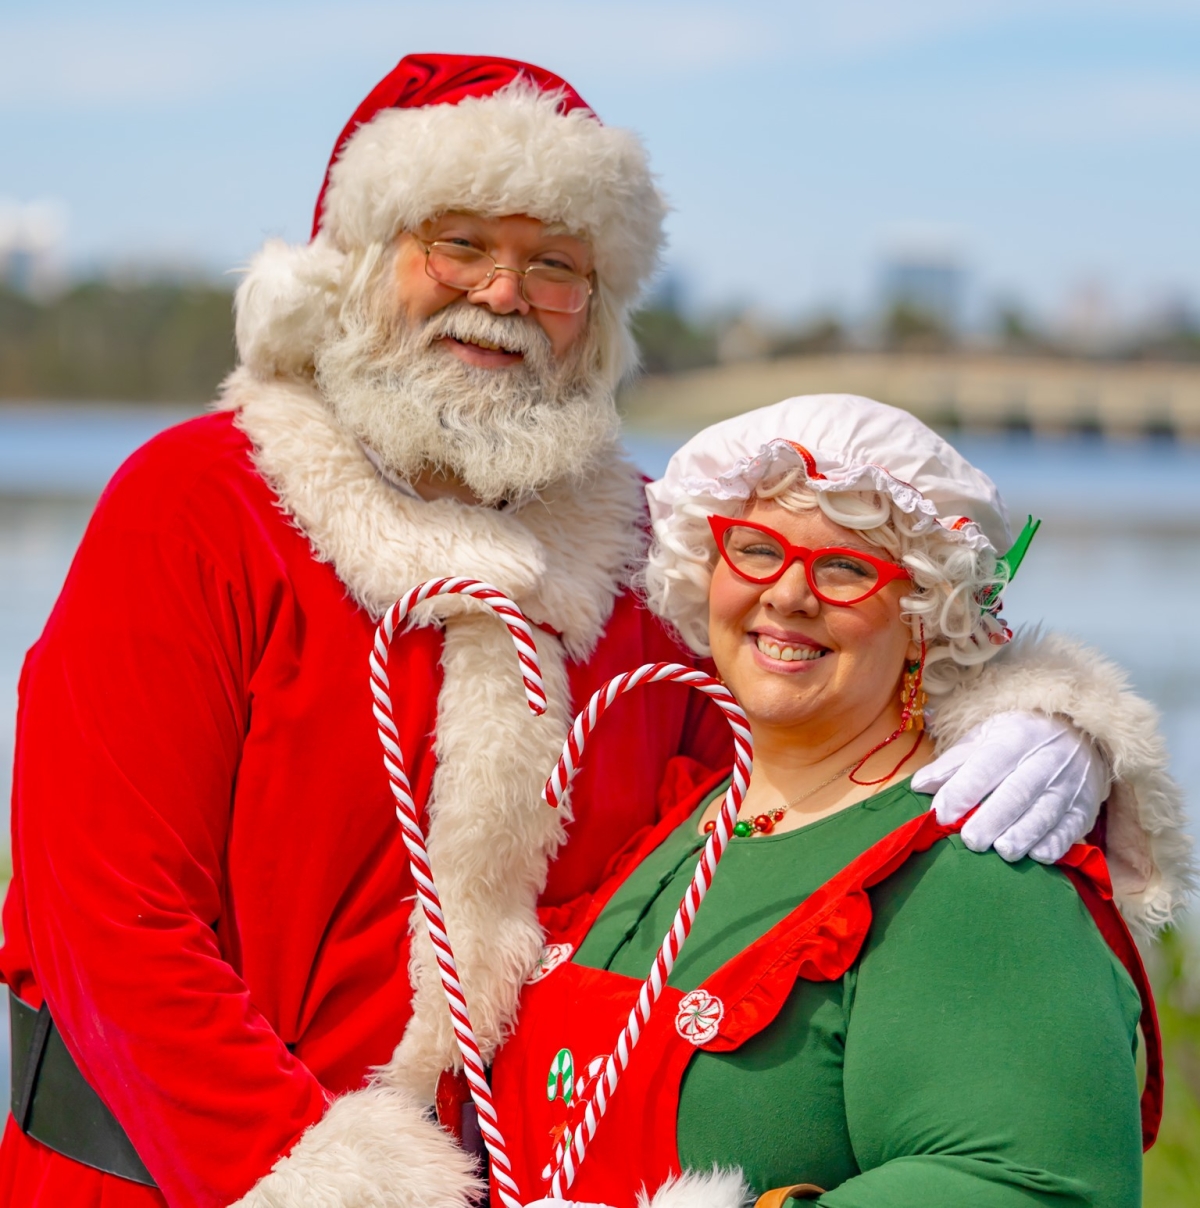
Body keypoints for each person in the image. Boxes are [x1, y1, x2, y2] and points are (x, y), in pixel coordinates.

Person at [0, 53, 1188, 1208]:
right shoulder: (201, 505)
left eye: (555, 265)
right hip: (160, 1179)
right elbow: (108, 912)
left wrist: (1040, 717)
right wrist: (313, 1176)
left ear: (599, 309)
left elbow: (812, 725)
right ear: (357, 264)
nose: (505, 296)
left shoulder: (635, 559)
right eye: (458, 243)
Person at [489, 395, 1186, 1208]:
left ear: (928, 613)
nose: (787, 594)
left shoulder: (979, 870)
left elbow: (1034, 1188)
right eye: (754, 549)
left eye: (846, 568)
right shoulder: (684, 819)